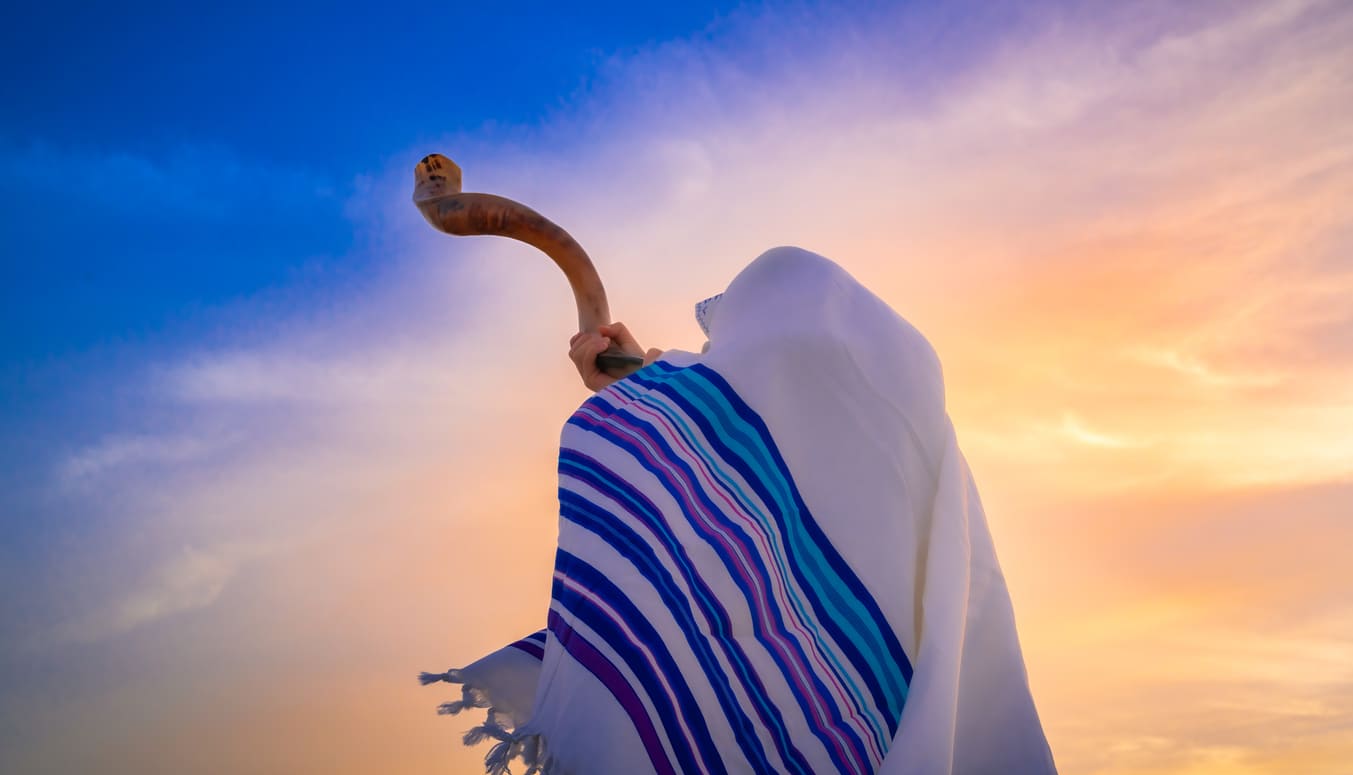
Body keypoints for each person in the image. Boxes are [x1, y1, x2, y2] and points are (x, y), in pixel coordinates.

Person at [424, 246, 1056, 775]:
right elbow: (738, 446)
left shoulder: (818, 440)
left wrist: (641, 394)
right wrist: (642, 383)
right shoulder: (913, 453)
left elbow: (722, 440)